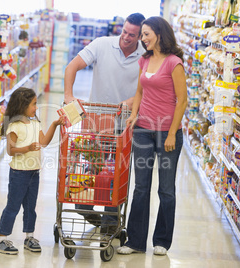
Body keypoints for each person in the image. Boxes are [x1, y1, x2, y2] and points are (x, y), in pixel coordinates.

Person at [63, 13, 146, 232]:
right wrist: (69, 95)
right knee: (91, 169)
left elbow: (150, 87)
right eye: (124, 32)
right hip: (96, 121)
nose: (126, 38)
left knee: (117, 174)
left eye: (132, 35)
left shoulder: (145, 55)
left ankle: (110, 224)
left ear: (140, 35)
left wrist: (131, 101)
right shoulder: (102, 44)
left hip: (124, 123)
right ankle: (86, 209)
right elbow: (72, 67)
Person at [116, 16, 187, 255]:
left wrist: (172, 133)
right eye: (142, 35)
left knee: (166, 189)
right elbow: (139, 91)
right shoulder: (144, 60)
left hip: (167, 133)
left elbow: (182, 101)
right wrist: (134, 114)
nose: (142, 39)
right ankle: (135, 241)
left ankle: (161, 242)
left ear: (159, 34)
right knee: (141, 187)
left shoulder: (173, 63)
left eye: (146, 34)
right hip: (144, 131)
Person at [0, 87, 65, 255]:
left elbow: (44, 142)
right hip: (19, 173)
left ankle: (29, 236)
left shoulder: (35, 123)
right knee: (13, 206)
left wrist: (54, 125)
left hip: (34, 172)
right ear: (22, 105)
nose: (36, 107)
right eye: (34, 104)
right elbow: (11, 151)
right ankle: (1, 239)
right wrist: (27, 148)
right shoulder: (14, 126)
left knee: (31, 207)